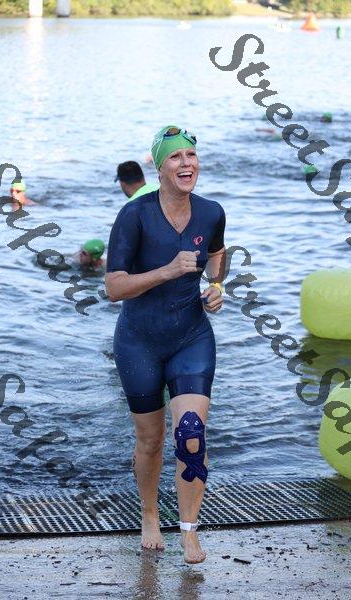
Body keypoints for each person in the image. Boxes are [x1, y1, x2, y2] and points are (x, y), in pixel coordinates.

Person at [105, 126, 226, 564]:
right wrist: (167, 271)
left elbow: (217, 253)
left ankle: (189, 530)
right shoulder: (134, 216)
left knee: (191, 433)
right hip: (139, 341)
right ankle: (150, 513)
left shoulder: (211, 212)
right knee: (151, 441)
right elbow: (114, 287)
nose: (186, 163)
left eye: (191, 155)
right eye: (175, 157)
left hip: (191, 337)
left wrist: (216, 285)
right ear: (159, 167)